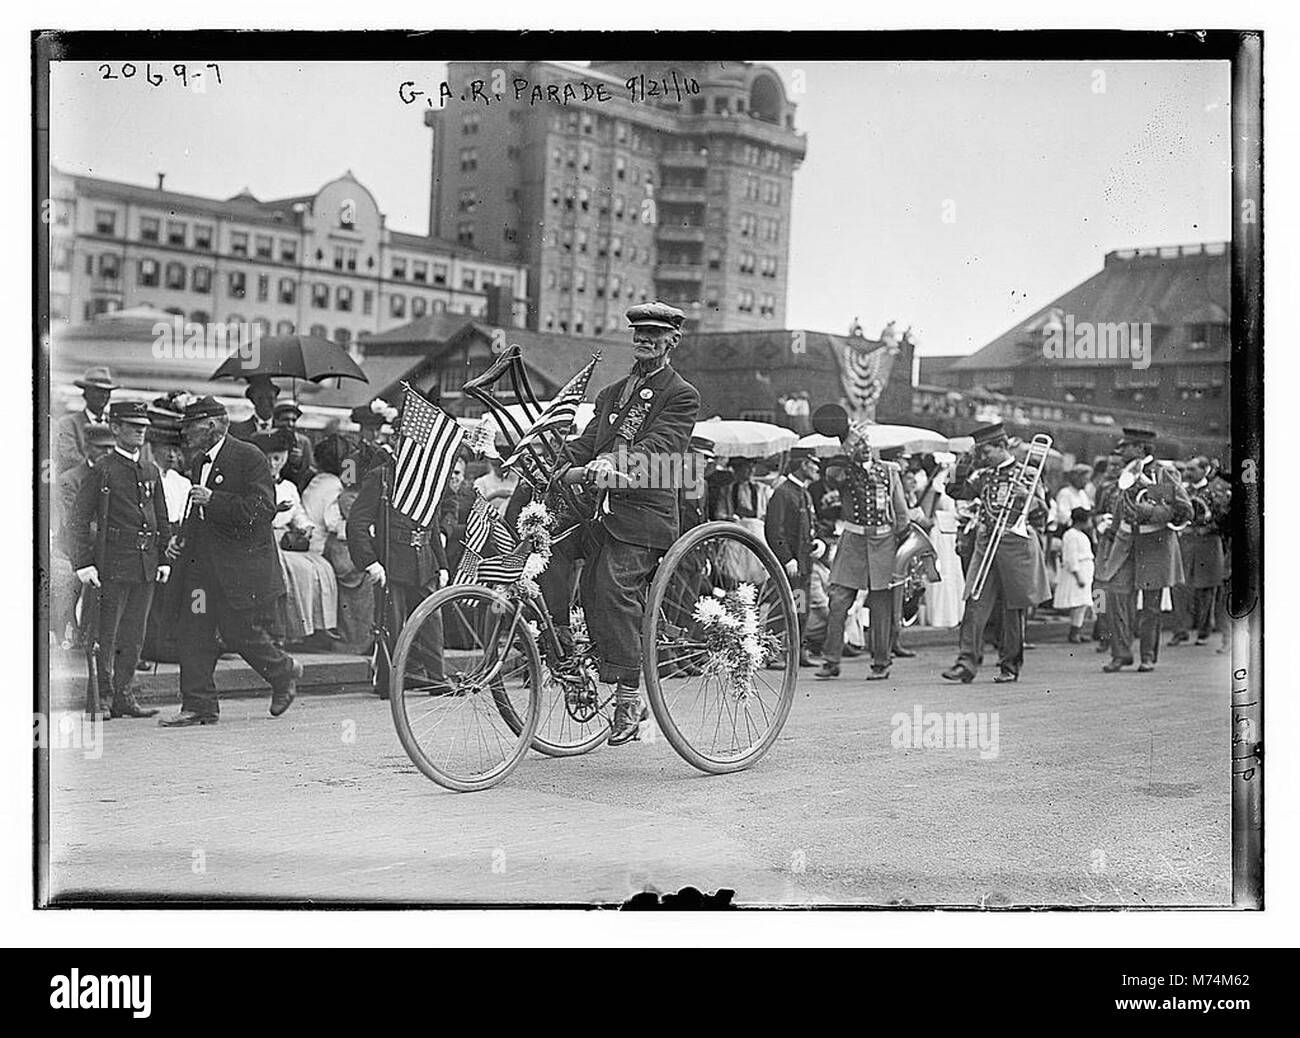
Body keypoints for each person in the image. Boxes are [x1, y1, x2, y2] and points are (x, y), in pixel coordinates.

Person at [542, 301, 700, 744]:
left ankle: (630, 695)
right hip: (597, 510)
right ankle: (562, 647)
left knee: (611, 585)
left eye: (654, 333)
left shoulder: (681, 394)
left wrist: (612, 462)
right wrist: (549, 460)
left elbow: (661, 445)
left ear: (672, 340)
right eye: (638, 332)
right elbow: (586, 443)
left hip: (641, 519)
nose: (644, 339)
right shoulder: (612, 394)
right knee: (545, 551)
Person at [158, 396, 303, 726]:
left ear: (210, 426)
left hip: (237, 570)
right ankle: (198, 705)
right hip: (201, 570)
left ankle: (283, 672)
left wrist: (215, 499)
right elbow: (197, 512)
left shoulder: (248, 456)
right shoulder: (198, 461)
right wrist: (181, 538)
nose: (185, 434)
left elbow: (261, 511)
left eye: (190, 427)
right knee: (193, 630)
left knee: (240, 633)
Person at [69, 402, 171, 718]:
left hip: (145, 565)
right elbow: (78, 519)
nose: (140, 430)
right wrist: (83, 564)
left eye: (142, 425)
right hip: (112, 564)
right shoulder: (103, 469)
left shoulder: (151, 470)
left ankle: (125, 696)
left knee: (134, 634)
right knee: (106, 634)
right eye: (131, 425)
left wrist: (164, 556)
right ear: (115, 429)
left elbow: (161, 517)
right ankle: (103, 698)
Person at [941, 422, 1052, 684]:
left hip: (1015, 545)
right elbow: (955, 490)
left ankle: (1010, 664)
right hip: (985, 543)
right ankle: (966, 662)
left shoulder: (1027, 473)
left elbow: (1042, 516)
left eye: (986, 452)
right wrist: (965, 462)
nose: (983, 458)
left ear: (1002, 447)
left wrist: (1030, 498)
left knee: (1013, 609)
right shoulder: (983, 475)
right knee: (974, 602)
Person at [346, 438, 450, 697]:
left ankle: (437, 678)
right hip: (392, 562)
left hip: (424, 562)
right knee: (390, 625)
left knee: (432, 622)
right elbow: (357, 523)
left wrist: (442, 564)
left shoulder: (425, 478)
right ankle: (389, 681)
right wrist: (370, 562)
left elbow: (431, 522)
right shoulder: (381, 478)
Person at [815, 422, 910, 682]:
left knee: (881, 606)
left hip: (884, 543)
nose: (864, 447)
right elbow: (832, 476)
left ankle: (881, 662)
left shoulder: (889, 472)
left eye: (866, 442)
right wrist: (847, 445)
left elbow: (900, 511)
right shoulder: (844, 470)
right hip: (853, 542)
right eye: (858, 443)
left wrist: (903, 544)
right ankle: (831, 660)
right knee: (839, 601)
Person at [1095, 427, 1192, 673]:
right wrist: (1111, 530)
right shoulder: (1125, 473)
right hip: (1126, 542)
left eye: (1126, 447)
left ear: (1140, 448)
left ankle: (1147, 656)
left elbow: (1181, 509)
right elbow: (1122, 505)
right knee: (1116, 596)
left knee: (1150, 606)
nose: (1122, 451)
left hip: (1154, 545)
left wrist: (1150, 511)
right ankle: (1121, 654)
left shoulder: (1161, 473)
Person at [254, 428, 339, 648]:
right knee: (291, 571)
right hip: (260, 540)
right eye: (268, 458)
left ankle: (315, 628)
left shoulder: (289, 487)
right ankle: (281, 629)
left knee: (321, 567)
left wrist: (305, 527)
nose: (272, 464)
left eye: (277, 459)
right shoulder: (254, 484)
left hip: (284, 540)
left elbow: (298, 513)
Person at [52, 423, 116, 649]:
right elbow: (73, 522)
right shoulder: (71, 479)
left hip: (102, 549)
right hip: (73, 551)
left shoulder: (113, 475)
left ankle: (92, 639)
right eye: (101, 448)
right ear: (88, 447)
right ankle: (69, 639)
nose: (107, 453)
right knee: (70, 601)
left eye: (111, 448)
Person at [764, 447, 820, 667]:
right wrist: (786, 558)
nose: (817, 469)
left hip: (803, 565)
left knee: (800, 609)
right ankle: (773, 653)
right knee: (781, 608)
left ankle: (798, 652)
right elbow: (773, 531)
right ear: (804, 464)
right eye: (814, 464)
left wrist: (818, 543)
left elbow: (809, 526)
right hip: (788, 566)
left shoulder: (803, 492)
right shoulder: (783, 492)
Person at [1170, 454, 1231, 646]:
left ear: (1204, 470)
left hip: (1208, 542)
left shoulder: (1217, 489)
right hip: (1186, 541)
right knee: (1179, 587)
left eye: (1192, 469)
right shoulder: (1182, 490)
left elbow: (1224, 517)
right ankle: (1180, 631)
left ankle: (1204, 631)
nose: (1187, 473)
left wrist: (1210, 522)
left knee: (1206, 589)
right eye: (1186, 469)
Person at [55, 366, 116, 475]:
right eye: (97, 390)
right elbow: (70, 459)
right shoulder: (68, 423)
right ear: (85, 393)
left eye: (107, 391)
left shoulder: (114, 424)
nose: (103, 395)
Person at [1055, 507, 1095, 642]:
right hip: (1077, 572)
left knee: (1082, 604)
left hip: (1085, 570)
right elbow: (1071, 556)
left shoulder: (1081, 535)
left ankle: (1077, 629)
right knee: (1079, 604)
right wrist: (1078, 576)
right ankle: (1074, 632)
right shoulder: (1071, 535)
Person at [271, 401, 317, 492]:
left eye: (293, 420)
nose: (290, 424)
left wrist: (298, 464)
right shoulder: (268, 438)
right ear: (276, 420)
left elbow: (310, 470)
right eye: (285, 419)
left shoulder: (303, 442)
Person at [228, 375, 280, 440]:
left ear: (276, 400)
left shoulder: (284, 430)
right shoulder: (238, 430)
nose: (265, 402)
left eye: (270, 398)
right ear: (253, 400)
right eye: (260, 398)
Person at [473, 447, 519, 517]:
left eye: (502, 466)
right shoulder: (481, 482)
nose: (499, 469)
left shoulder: (517, 478)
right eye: (495, 466)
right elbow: (477, 506)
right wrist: (495, 494)